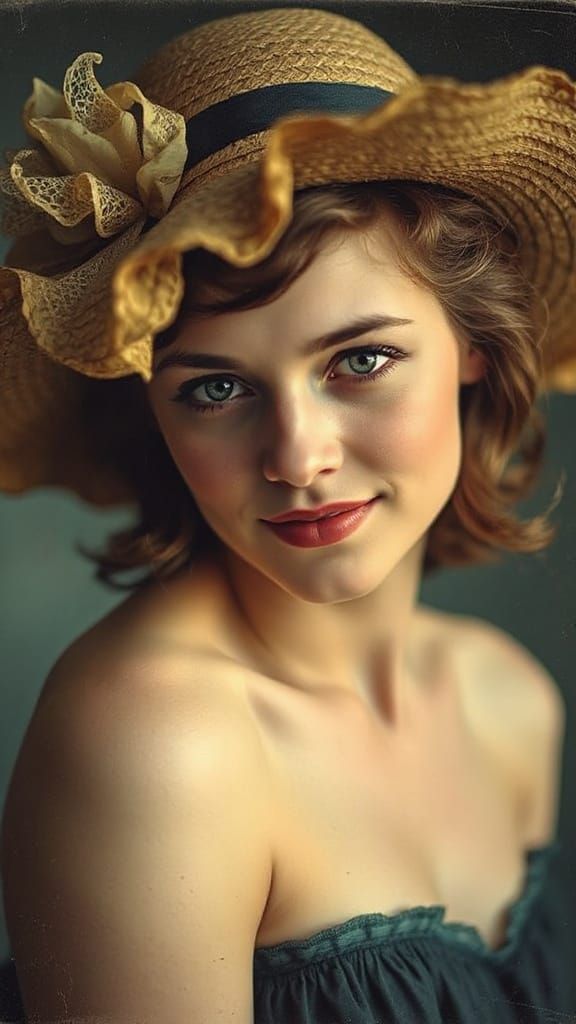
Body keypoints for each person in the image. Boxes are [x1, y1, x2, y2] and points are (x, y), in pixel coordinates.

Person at [0, 7, 575, 1023]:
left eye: (360, 360)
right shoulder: (154, 740)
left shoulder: (511, 703)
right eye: (215, 389)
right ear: (153, 410)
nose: (298, 458)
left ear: (475, 343)